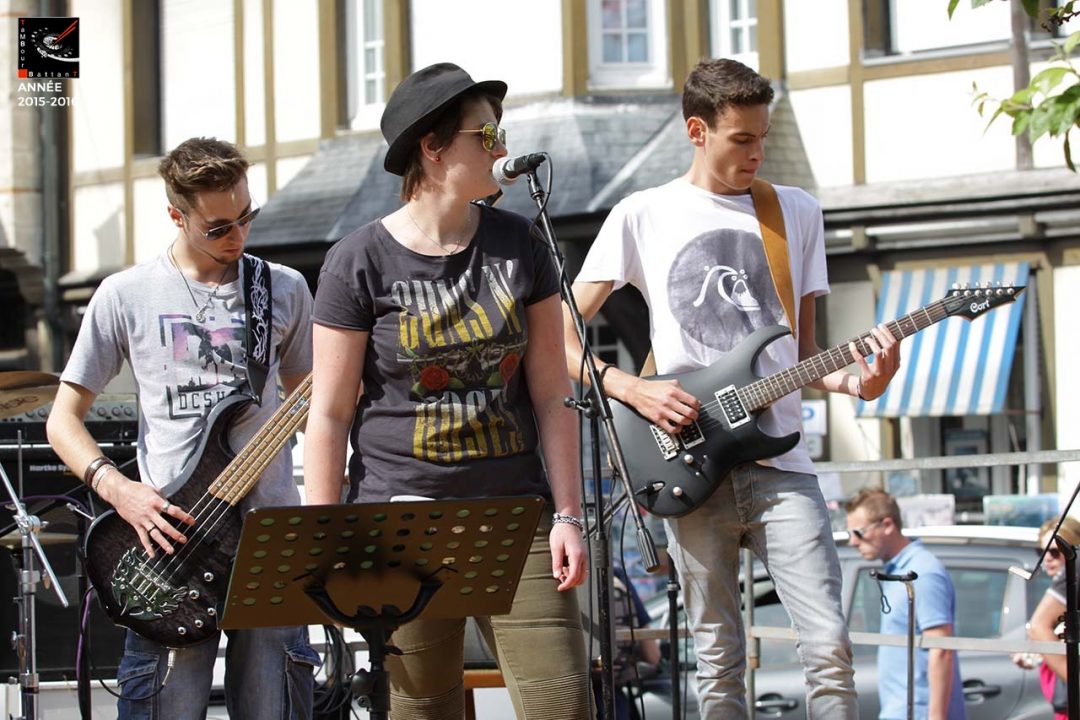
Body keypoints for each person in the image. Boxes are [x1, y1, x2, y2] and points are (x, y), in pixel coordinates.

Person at [561, 57, 900, 718]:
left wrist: (861, 384)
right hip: (686, 460)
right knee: (718, 662)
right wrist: (631, 389)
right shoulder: (641, 214)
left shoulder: (794, 211)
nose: (757, 153)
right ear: (698, 130)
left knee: (829, 649)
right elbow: (560, 337)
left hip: (783, 466)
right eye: (741, 139)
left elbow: (801, 355)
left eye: (763, 137)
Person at [303, 62, 592, 719]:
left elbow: (552, 394)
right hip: (399, 526)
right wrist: (323, 541)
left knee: (564, 707)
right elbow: (330, 412)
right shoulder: (358, 261)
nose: (502, 148)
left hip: (517, 518)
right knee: (422, 711)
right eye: (485, 136)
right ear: (432, 148)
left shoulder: (519, 244)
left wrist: (569, 516)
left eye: (500, 133)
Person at [46, 137, 319, 719]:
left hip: (269, 537)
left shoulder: (284, 288)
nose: (238, 236)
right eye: (218, 227)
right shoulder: (126, 294)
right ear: (176, 216)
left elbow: (312, 404)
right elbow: (62, 420)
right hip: (172, 543)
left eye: (246, 216)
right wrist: (120, 491)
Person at [846, 489, 966, 720]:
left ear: (887, 525)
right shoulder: (900, 570)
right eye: (849, 533)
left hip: (918, 712)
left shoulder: (922, 572)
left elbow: (941, 648)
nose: (853, 542)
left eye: (858, 532)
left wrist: (935, 717)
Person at [1016, 514, 1080, 719]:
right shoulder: (1059, 594)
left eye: (1054, 551)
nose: (1047, 559)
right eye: (1041, 552)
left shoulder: (1073, 577)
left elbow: (1038, 627)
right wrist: (1037, 654)